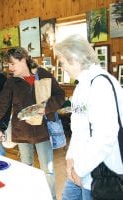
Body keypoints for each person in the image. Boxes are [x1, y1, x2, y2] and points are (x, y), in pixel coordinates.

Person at [0, 47, 65, 199]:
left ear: (23, 60)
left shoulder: (43, 74)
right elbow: (1, 104)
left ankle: (51, 197)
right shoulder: (11, 81)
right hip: (22, 131)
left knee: (48, 169)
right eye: (8, 65)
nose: (10, 69)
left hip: (43, 131)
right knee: (26, 167)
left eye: (13, 64)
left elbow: (60, 95)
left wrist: (43, 108)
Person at [54, 34, 123, 200]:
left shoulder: (101, 85)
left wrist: (80, 168)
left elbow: (104, 137)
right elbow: (79, 128)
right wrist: (70, 157)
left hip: (101, 170)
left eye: (62, 62)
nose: (62, 67)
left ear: (75, 60)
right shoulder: (82, 85)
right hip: (81, 164)